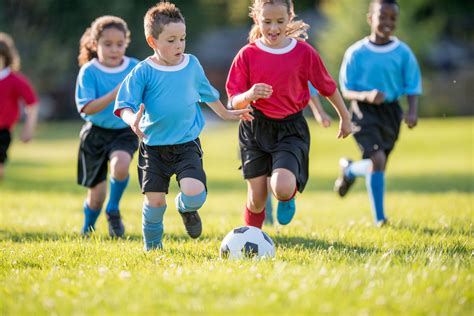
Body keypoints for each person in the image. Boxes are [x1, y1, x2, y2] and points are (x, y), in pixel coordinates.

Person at [114, 2, 253, 251]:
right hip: (153, 148)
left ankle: (185, 208)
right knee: (155, 203)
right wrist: (131, 120)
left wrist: (226, 114)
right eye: (171, 40)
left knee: (195, 193)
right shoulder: (143, 71)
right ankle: (153, 247)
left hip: (186, 144)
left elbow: (207, 93)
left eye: (182, 38)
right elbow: (124, 104)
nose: (179, 45)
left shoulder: (191, 65)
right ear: (152, 41)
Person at [226, 0, 352, 229]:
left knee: (282, 188)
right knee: (256, 200)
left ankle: (288, 195)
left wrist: (344, 116)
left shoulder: (304, 53)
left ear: (290, 18)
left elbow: (327, 86)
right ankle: (252, 239)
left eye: (280, 21)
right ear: (256, 19)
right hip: (254, 128)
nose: (273, 28)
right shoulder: (247, 55)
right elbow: (232, 100)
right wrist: (249, 94)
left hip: (290, 129)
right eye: (267, 22)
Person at [334, 0, 422, 227]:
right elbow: (345, 89)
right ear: (370, 18)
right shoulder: (356, 53)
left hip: (391, 112)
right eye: (383, 16)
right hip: (362, 111)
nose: (388, 22)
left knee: (379, 164)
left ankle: (350, 170)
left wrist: (412, 112)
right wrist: (367, 96)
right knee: (377, 159)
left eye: (393, 18)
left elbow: (412, 85)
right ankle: (380, 219)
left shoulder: (403, 52)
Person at [75, 16, 139, 237]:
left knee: (121, 165)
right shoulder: (89, 71)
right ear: (95, 44)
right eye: (107, 44)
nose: (114, 50)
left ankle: (113, 209)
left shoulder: (134, 67)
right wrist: (114, 94)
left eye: (119, 44)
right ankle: (87, 229)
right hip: (95, 135)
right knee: (96, 197)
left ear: (126, 43)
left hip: (124, 131)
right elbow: (86, 108)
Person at [264, 83, 331, 225]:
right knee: (260, 175)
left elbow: (307, 84)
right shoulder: (248, 60)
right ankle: (266, 216)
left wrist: (319, 111)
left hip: (286, 125)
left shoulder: (291, 61)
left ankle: (286, 195)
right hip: (255, 124)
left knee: (278, 170)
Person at [0, 33, 39, 181]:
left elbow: (32, 104)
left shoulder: (15, 80)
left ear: (5, 58)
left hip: (2, 131)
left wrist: (28, 128)